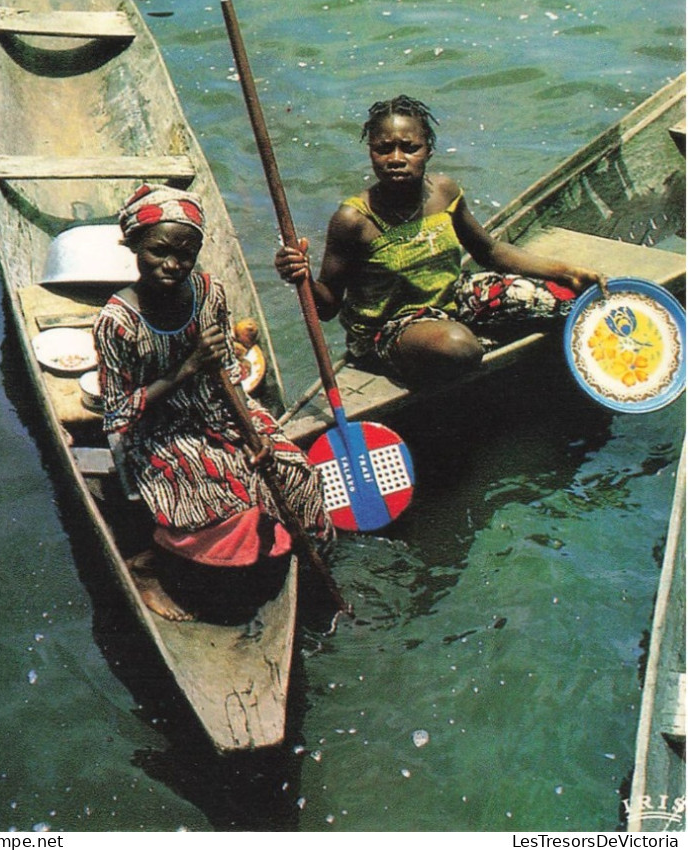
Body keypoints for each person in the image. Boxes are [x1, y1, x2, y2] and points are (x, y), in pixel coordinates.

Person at [94, 184, 332, 621]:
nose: (172, 265)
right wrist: (184, 370)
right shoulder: (116, 322)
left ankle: (282, 564)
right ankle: (150, 565)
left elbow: (230, 379)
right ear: (133, 246)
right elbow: (117, 413)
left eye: (184, 255)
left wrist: (251, 431)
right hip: (156, 429)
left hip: (218, 409)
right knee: (228, 503)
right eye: (158, 252)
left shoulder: (210, 294)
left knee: (296, 474)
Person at [275, 95, 606, 386]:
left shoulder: (443, 192)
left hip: (452, 299)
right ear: (371, 152)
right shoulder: (353, 220)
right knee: (460, 347)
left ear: (428, 151)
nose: (395, 158)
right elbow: (328, 307)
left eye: (410, 147)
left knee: (568, 304)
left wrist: (565, 272)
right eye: (383, 149)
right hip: (389, 329)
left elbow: (489, 251)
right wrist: (300, 277)